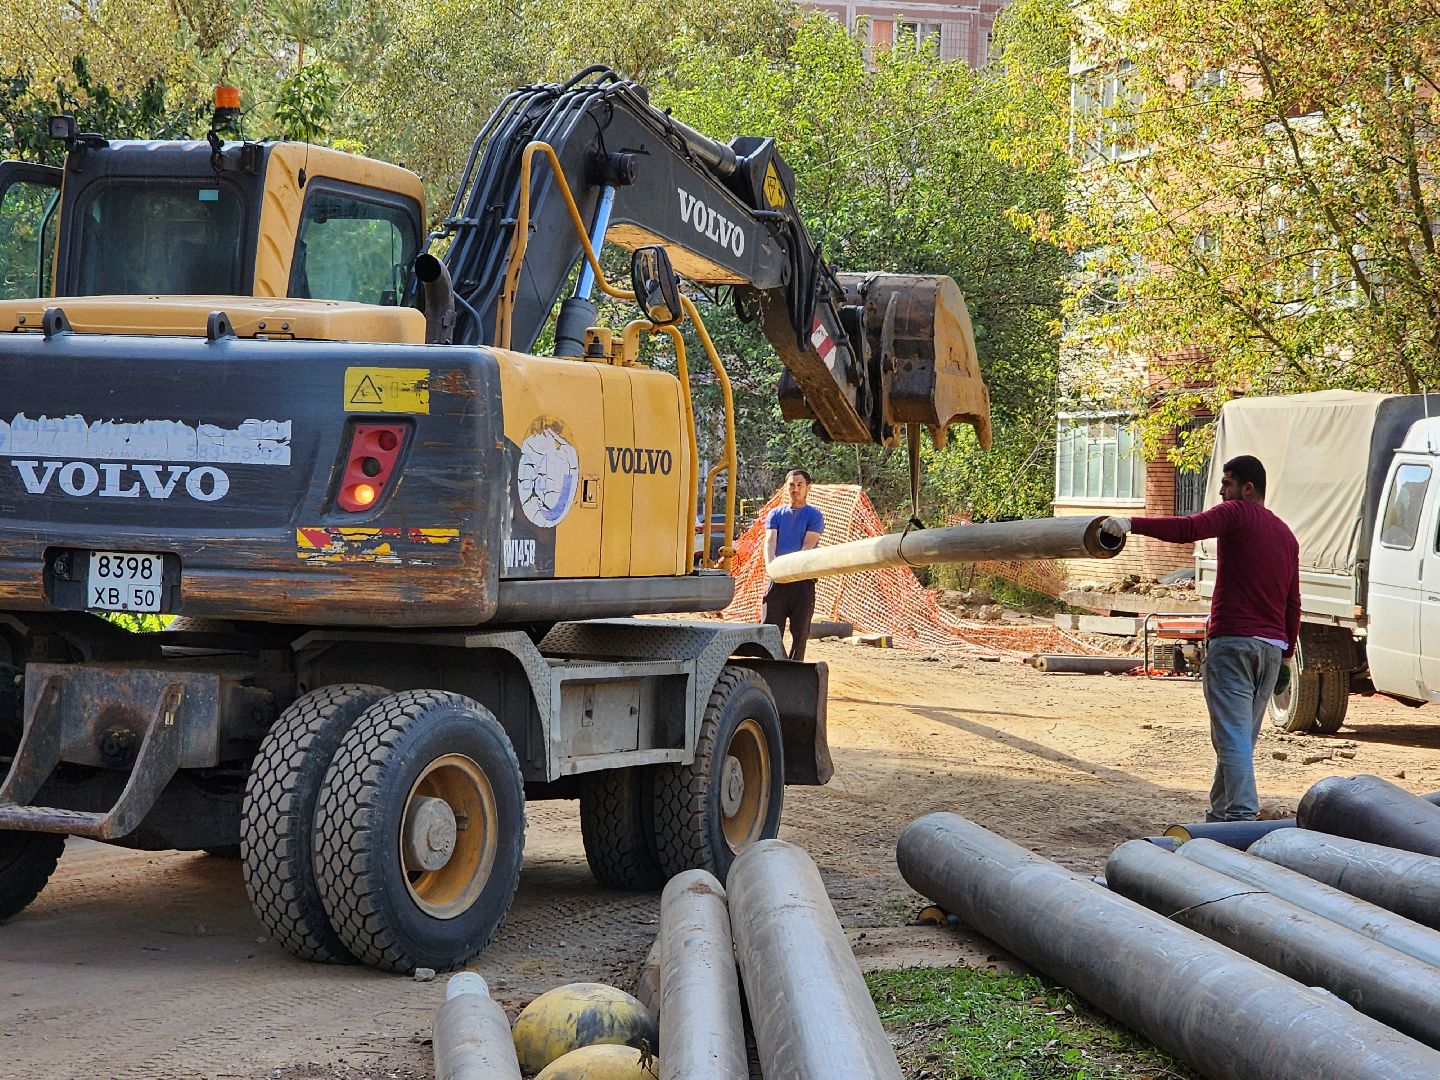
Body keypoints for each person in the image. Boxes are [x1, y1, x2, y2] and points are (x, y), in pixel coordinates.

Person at [1102, 454, 1300, 822]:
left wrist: (1130, 523)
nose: (1222, 492)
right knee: (1240, 739)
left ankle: (1241, 816)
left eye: (1227, 483)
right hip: (1271, 651)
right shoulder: (1286, 535)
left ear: (1248, 488)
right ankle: (1220, 818)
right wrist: (1286, 654)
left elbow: (1188, 529)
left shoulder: (1237, 513)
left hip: (1234, 643)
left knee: (1231, 738)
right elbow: (1292, 602)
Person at [763, 469, 825, 660]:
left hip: (803, 581)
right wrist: (771, 567)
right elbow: (770, 542)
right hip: (778, 580)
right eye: (791, 485)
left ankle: (795, 669)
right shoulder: (775, 514)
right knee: (769, 629)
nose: (795, 489)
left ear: (808, 488)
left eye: (799, 485)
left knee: (800, 632)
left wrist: (792, 570)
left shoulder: (814, 515)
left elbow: (808, 545)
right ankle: (772, 666)